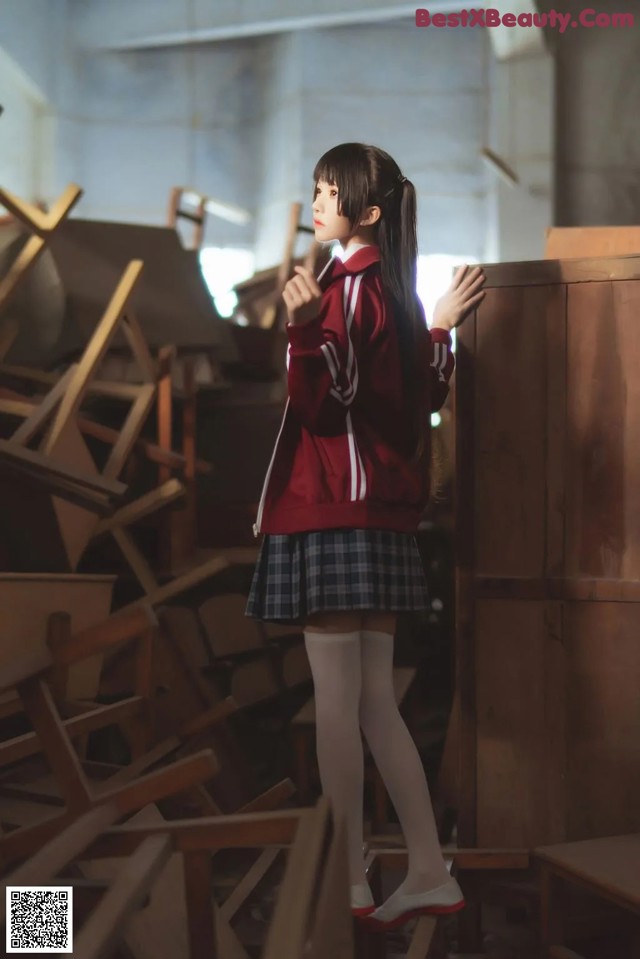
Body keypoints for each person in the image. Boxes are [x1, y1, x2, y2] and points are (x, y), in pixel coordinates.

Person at [245, 142, 484, 929]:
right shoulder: (391, 287)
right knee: (374, 702)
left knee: (337, 707)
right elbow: (416, 397)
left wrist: (304, 330)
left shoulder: (345, 290)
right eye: (314, 188)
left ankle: (348, 881)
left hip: (333, 509)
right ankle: (424, 868)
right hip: (376, 514)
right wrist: (440, 330)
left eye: (329, 192)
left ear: (368, 211)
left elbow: (328, 404)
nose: (316, 201)